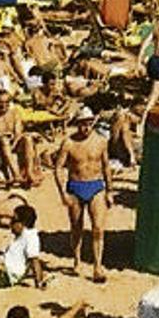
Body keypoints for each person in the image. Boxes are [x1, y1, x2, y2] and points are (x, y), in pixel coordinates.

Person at [52, 106, 111, 283]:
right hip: (76, 186)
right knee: (76, 227)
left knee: (98, 228)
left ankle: (97, 266)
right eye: (82, 124)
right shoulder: (69, 143)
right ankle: (77, 259)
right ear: (77, 124)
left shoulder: (101, 141)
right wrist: (63, 193)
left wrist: (110, 191)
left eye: (88, 123)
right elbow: (58, 169)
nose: (86, 127)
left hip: (96, 185)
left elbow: (106, 166)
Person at [0, 90, 40, 186]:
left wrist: (12, 145)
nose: (3, 105)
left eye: (6, 102)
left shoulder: (14, 113)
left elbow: (18, 133)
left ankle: (29, 172)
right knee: (4, 140)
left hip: (14, 143)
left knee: (28, 138)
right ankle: (16, 175)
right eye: (0, 103)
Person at [0, 205, 46, 288]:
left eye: (14, 220)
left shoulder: (30, 237)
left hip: (6, 275)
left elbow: (35, 261)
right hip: (2, 270)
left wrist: (39, 282)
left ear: (23, 223)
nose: (10, 223)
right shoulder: (22, 236)